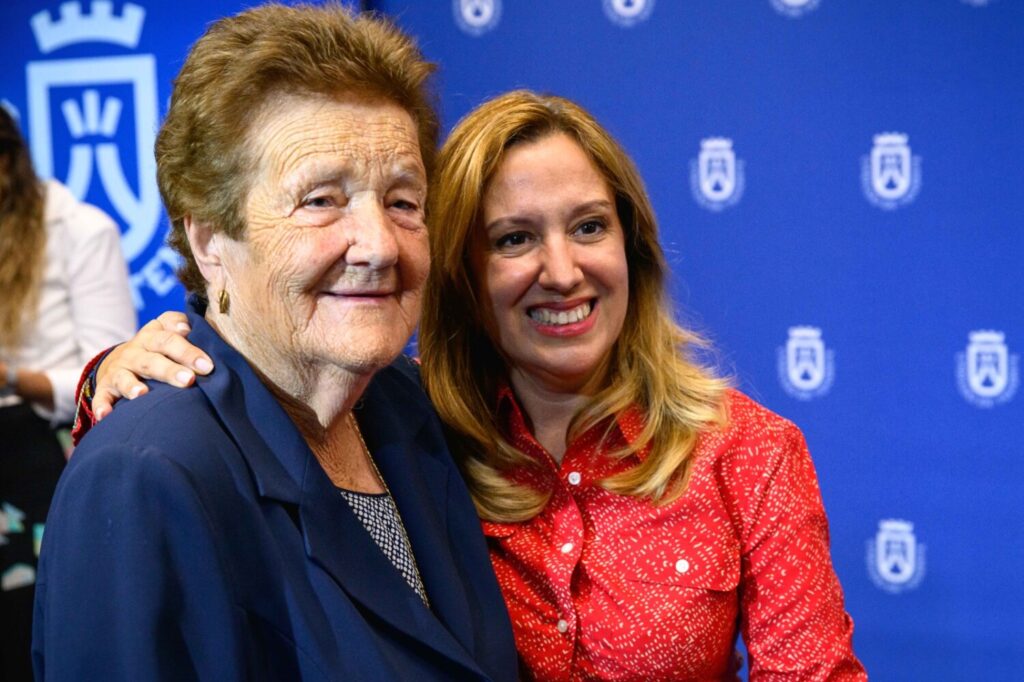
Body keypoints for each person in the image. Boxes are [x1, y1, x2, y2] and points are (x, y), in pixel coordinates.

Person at [76, 91, 867, 679]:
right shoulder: (409, 427)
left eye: (590, 226)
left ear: (635, 247)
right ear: (461, 271)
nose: (563, 272)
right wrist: (107, 379)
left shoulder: (746, 451)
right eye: (514, 239)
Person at [31, 5, 516, 680]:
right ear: (210, 241)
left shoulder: (406, 403)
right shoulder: (145, 475)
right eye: (321, 200)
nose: (378, 245)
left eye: (404, 202)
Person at [0, 106, 136, 681]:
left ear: (7, 164)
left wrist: (9, 375)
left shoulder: (81, 229)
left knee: (27, 630)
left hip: (46, 451)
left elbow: (106, 378)